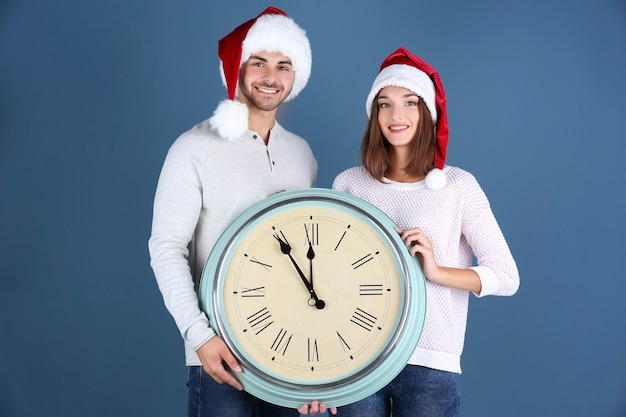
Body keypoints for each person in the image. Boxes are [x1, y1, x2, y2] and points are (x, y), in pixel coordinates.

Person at [148, 6, 333, 416]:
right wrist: (198, 336)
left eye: (284, 65)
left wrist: (316, 368)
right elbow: (166, 247)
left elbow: (308, 262)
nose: (271, 77)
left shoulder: (303, 154)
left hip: (290, 358)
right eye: (259, 62)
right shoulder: (192, 148)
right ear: (236, 68)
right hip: (221, 354)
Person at [331, 47, 520, 417]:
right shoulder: (349, 184)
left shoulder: (457, 186)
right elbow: (333, 279)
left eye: (410, 103)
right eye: (384, 104)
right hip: (357, 360)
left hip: (431, 365)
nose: (396, 115)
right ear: (374, 114)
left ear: (428, 113)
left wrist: (436, 271)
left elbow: (507, 276)